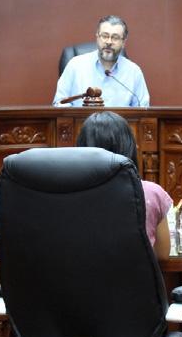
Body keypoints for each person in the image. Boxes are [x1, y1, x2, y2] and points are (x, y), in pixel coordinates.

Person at [77, 111, 171, 260]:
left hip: (79, 274)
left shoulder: (69, 193)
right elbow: (162, 254)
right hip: (136, 275)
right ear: (131, 147)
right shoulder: (152, 193)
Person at [53, 15, 150, 107]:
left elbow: (143, 108)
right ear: (97, 37)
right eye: (105, 36)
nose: (109, 42)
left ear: (123, 42)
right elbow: (59, 103)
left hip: (120, 120)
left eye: (115, 38)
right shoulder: (75, 65)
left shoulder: (134, 72)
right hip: (81, 120)